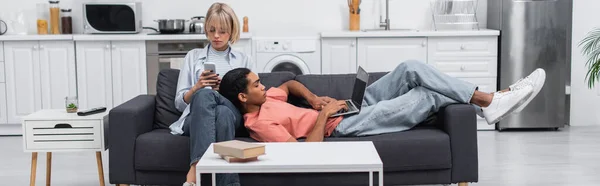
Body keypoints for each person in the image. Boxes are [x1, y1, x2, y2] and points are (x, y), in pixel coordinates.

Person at [218, 60, 545, 143]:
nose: (265, 85)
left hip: (342, 108)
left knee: (410, 68)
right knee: (426, 95)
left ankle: (489, 102)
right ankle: (492, 101)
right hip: (341, 124)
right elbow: (304, 152)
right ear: (243, 97)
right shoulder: (259, 123)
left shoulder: (267, 98)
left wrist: (315, 98)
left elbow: (288, 83)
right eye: (257, 84)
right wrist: (325, 115)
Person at [169, 2, 252, 186]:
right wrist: (197, 87)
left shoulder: (244, 59)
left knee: (219, 106)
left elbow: (251, 102)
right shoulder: (192, 56)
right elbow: (179, 103)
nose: (216, 36)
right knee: (211, 105)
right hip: (196, 117)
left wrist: (223, 93)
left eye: (222, 31)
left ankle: (194, 171)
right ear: (206, 28)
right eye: (212, 29)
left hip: (233, 114)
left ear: (231, 30)